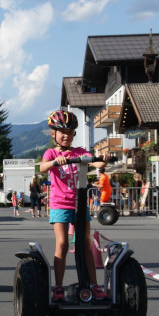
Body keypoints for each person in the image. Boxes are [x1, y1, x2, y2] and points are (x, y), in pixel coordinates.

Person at [40, 110, 108, 302]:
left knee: (85, 244)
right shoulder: (51, 152)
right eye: (62, 131)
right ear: (53, 133)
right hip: (60, 204)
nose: (66, 135)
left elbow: (96, 163)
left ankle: (93, 285)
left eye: (69, 132)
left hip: (79, 204)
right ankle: (59, 287)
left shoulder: (80, 152)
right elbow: (43, 167)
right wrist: (55, 161)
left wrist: (103, 158)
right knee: (62, 244)